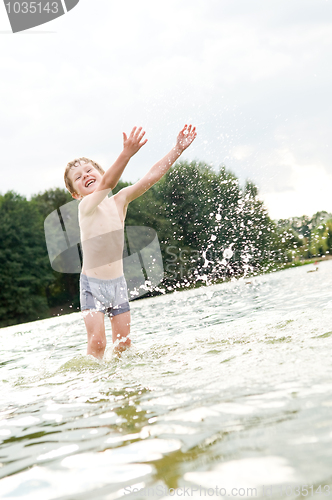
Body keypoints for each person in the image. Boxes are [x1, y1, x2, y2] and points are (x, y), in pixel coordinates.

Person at [64, 124, 197, 359]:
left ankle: (120, 385)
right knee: (97, 343)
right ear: (75, 194)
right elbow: (108, 184)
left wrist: (177, 149)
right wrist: (126, 153)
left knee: (123, 345)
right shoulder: (85, 207)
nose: (85, 175)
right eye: (78, 177)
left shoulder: (120, 201)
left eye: (89, 170)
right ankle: (93, 384)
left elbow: (152, 176)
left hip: (118, 284)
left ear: (101, 171)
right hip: (92, 285)